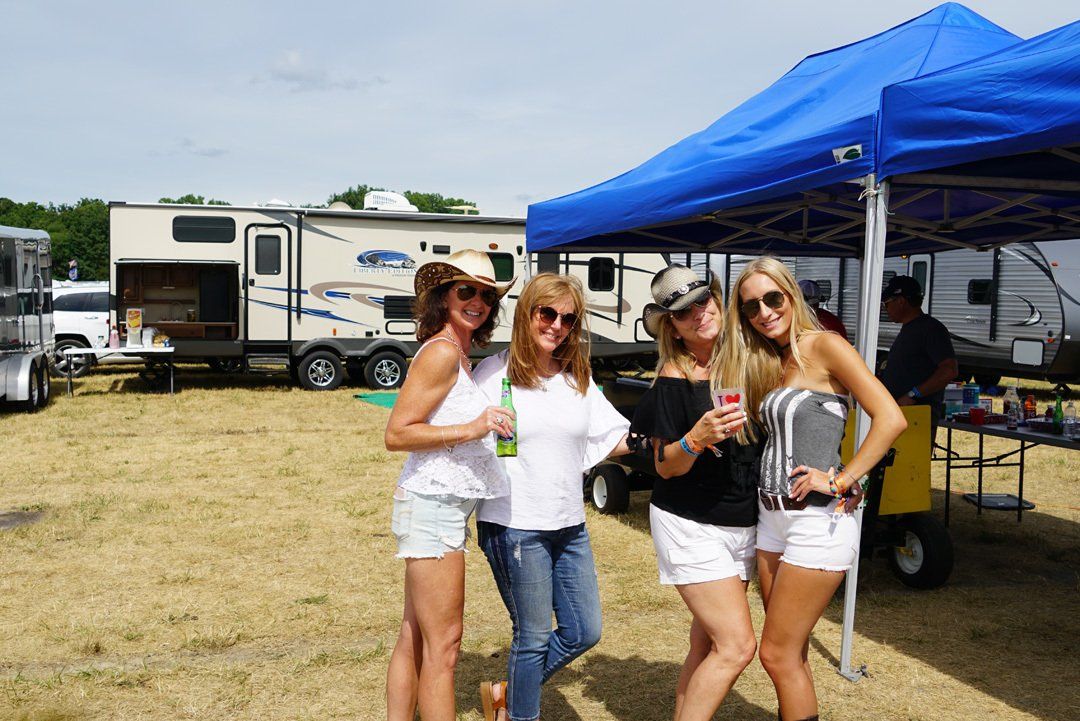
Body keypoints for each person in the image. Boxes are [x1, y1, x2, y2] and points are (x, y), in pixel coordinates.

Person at [718, 257, 906, 721]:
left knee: (776, 655)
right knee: (791, 654)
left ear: (791, 295)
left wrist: (844, 478)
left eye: (772, 298)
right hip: (771, 518)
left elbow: (891, 418)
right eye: (750, 307)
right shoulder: (769, 359)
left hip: (816, 520)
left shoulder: (825, 345)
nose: (763, 311)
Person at [474, 273, 631, 721]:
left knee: (585, 630)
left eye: (569, 318)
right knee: (534, 635)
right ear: (527, 314)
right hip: (515, 524)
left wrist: (665, 439)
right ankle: (520, 715)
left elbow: (613, 436)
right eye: (548, 313)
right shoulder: (493, 374)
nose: (557, 325)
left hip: (570, 524)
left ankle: (507, 692)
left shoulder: (575, 377)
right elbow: (466, 438)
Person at [383, 249, 516, 721]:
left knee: (415, 635)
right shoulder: (441, 352)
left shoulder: (456, 351)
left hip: (433, 506)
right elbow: (397, 433)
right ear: (443, 296)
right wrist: (475, 427)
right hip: (433, 507)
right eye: (466, 290)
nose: (477, 300)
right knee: (445, 646)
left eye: (486, 294)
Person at [630, 264, 762, 721]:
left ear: (718, 301)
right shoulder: (673, 377)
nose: (698, 314)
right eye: (683, 313)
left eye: (703, 301)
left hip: (743, 520)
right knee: (737, 646)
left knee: (706, 642)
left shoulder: (749, 358)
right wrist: (696, 438)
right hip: (689, 521)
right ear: (673, 326)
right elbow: (666, 467)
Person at [879, 275, 958, 431]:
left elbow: (949, 370)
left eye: (886, 304)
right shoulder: (910, 328)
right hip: (900, 415)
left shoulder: (931, 329)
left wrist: (913, 394)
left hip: (916, 418)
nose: (885, 309)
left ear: (901, 301)